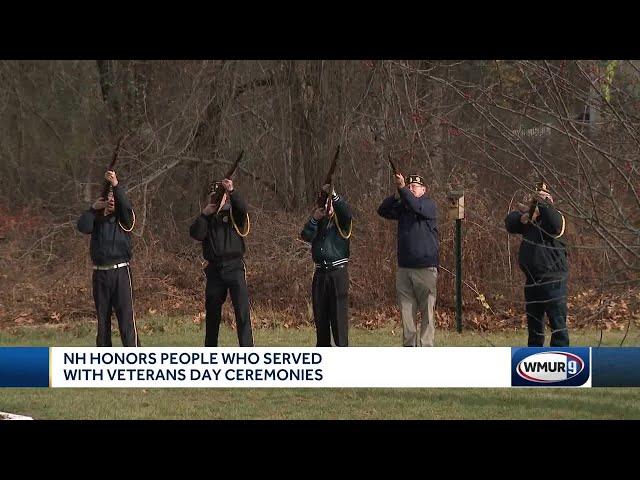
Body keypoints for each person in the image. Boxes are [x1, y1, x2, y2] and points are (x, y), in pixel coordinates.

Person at [77, 170, 140, 347]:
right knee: (102, 322)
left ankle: (136, 362)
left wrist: (115, 184)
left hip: (120, 273)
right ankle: (104, 363)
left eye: (115, 198)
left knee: (126, 321)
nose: (112, 200)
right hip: (100, 275)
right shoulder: (96, 220)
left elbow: (126, 206)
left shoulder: (124, 218)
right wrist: (93, 209)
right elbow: (82, 226)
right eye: (109, 197)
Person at [189, 178, 253, 347]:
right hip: (215, 270)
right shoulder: (207, 217)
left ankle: (248, 349)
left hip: (235, 267)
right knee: (212, 313)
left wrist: (232, 191)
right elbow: (196, 233)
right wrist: (205, 215)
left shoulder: (234, 213)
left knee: (242, 312)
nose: (217, 200)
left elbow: (242, 209)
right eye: (213, 197)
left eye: (219, 197)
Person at [377, 173, 439, 347]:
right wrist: (397, 194)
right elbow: (382, 210)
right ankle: (409, 348)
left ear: (424, 190)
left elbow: (416, 205)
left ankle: (426, 347)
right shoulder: (404, 207)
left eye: (415, 186)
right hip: (404, 269)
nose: (411, 189)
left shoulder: (428, 205)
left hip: (426, 268)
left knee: (427, 313)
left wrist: (403, 189)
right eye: (409, 186)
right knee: (407, 314)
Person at [505, 186, 569, 346]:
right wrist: (524, 216)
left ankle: (559, 359)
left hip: (553, 280)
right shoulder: (530, 222)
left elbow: (554, 223)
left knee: (557, 325)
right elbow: (510, 222)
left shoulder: (556, 219)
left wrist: (544, 202)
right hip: (532, 280)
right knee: (534, 328)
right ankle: (534, 359)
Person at [300, 184, 353, 347]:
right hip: (320, 274)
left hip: (337, 273)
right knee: (321, 319)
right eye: (326, 203)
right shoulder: (318, 222)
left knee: (339, 320)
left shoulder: (341, 221)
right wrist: (314, 219)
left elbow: (346, 213)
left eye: (331, 203)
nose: (328, 207)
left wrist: (334, 194)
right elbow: (306, 235)